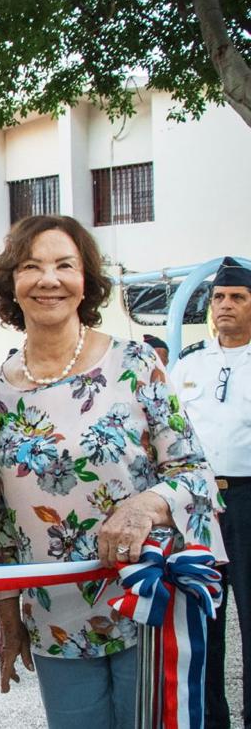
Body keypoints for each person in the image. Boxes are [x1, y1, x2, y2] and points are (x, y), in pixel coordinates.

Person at [0, 215, 225, 729]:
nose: (49, 279)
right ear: (11, 284)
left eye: (64, 265)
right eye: (31, 266)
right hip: (55, 616)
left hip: (149, 603)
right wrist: (6, 610)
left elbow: (194, 472)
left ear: (86, 282)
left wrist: (146, 505)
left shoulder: (135, 364)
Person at [171, 256, 251, 729]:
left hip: (248, 500)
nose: (225, 305)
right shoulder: (189, 365)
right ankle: (210, 721)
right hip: (199, 504)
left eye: (238, 298)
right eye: (219, 297)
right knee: (204, 621)